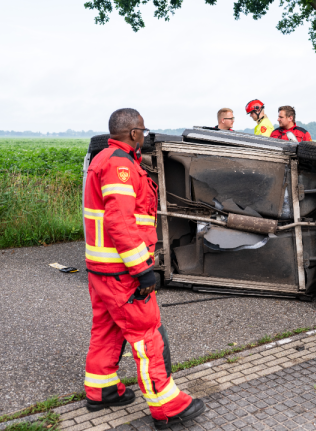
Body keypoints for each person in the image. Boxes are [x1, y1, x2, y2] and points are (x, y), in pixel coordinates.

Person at [82, 108, 205, 428]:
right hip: (122, 271)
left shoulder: (103, 159)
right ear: (134, 133)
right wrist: (141, 269)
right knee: (147, 335)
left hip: (102, 269)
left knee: (107, 329)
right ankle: (168, 407)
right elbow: (120, 222)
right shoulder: (120, 166)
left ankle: (101, 389)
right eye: (143, 132)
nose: (145, 137)